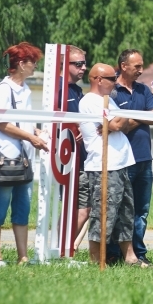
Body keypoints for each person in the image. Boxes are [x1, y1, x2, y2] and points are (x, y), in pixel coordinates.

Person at [0, 43, 49, 267]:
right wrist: (31, 137)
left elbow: (21, 121)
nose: (35, 66)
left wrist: (35, 131)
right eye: (32, 61)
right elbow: (2, 123)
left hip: (24, 157)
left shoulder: (24, 89)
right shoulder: (5, 89)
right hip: (6, 157)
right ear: (21, 64)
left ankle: (23, 257)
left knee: (22, 207)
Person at [79, 63, 143, 266]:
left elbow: (120, 124)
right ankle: (96, 258)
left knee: (126, 212)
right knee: (104, 213)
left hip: (119, 163)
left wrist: (117, 121)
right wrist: (116, 122)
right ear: (98, 79)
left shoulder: (109, 101)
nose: (115, 82)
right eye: (111, 78)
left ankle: (130, 257)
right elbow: (116, 124)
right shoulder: (90, 101)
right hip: (103, 165)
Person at [107, 49, 153, 266]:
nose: (141, 70)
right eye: (137, 66)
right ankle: (113, 252)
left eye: (142, 66)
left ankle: (138, 253)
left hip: (144, 161)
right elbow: (117, 128)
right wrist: (143, 116)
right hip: (122, 161)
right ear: (123, 66)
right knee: (120, 208)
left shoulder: (143, 90)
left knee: (141, 211)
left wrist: (133, 118)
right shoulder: (111, 91)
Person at [65, 46, 90, 241]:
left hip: (80, 158)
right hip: (65, 160)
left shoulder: (77, 90)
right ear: (65, 64)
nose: (84, 68)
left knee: (82, 208)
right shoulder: (58, 88)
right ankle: (62, 247)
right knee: (77, 208)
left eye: (84, 63)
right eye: (79, 64)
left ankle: (65, 248)